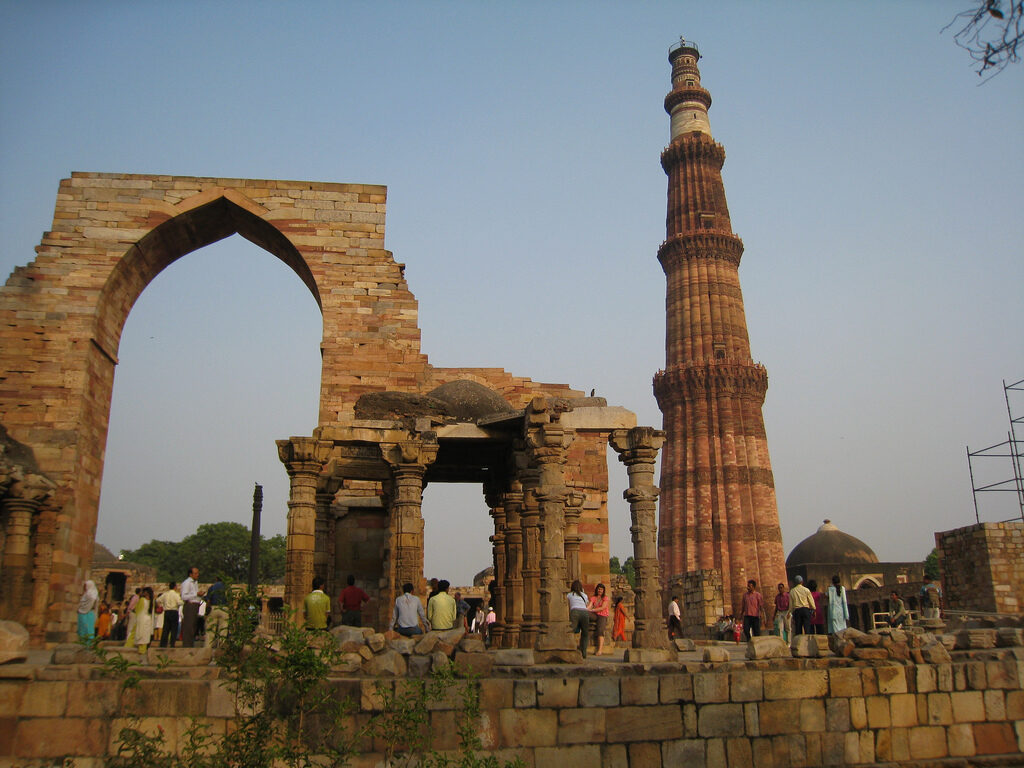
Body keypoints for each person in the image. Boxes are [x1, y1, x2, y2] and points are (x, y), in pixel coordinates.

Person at [131, 586, 155, 664]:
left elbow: (137, 610)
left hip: (141, 619)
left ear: (146, 593)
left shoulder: (142, 600)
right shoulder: (152, 601)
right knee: (145, 637)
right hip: (148, 620)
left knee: (139, 636)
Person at [567, 579, 591, 659]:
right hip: (584, 612)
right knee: (585, 633)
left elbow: (567, 605)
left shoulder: (570, 595)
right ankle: (583, 652)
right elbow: (586, 604)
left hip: (575, 611)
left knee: (571, 631)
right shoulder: (584, 595)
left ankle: (570, 648)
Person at [181, 566, 202, 647]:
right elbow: (184, 596)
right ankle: (187, 645)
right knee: (188, 627)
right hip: (190, 605)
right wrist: (196, 594)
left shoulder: (195, 583)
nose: (197, 575)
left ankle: (190, 645)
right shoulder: (187, 583)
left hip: (195, 605)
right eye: (195, 573)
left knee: (193, 627)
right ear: (190, 574)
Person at [588, 583, 611, 655]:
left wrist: (593, 610)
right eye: (598, 589)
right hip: (595, 615)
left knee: (600, 630)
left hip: (602, 615)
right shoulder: (594, 598)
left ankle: (600, 650)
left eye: (601, 589)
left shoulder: (605, 598)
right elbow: (590, 606)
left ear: (603, 590)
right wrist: (586, 610)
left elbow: (603, 607)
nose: (599, 590)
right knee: (585, 614)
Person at [158, 581, 182, 648]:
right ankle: (172, 643)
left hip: (167, 612)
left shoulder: (165, 594)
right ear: (175, 587)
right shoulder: (176, 595)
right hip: (174, 611)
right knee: (174, 629)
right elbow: (180, 602)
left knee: (166, 628)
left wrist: (162, 605)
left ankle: (163, 644)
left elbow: (158, 600)